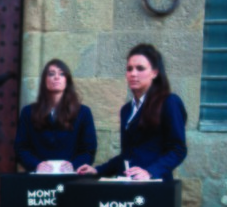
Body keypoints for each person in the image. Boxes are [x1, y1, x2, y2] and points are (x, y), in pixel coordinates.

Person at [76, 44, 187, 181]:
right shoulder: (126, 110)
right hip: (128, 186)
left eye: (140, 68)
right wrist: (97, 170)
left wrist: (150, 172)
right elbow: (127, 156)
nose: (133, 74)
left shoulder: (169, 102)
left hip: (155, 186)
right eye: (129, 69)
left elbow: (178, 149)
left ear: (155, 73)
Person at [14, 59, 97, 173]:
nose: (56, 77)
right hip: (39, 177)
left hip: (71, 177)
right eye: (51, 74)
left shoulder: (83, 112)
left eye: (62, 74)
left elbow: (89, 150)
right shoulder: (28, 112)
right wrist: (36, 165)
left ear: (67, 80)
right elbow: (21, 148)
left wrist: (73, 165)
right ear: (45, 80)